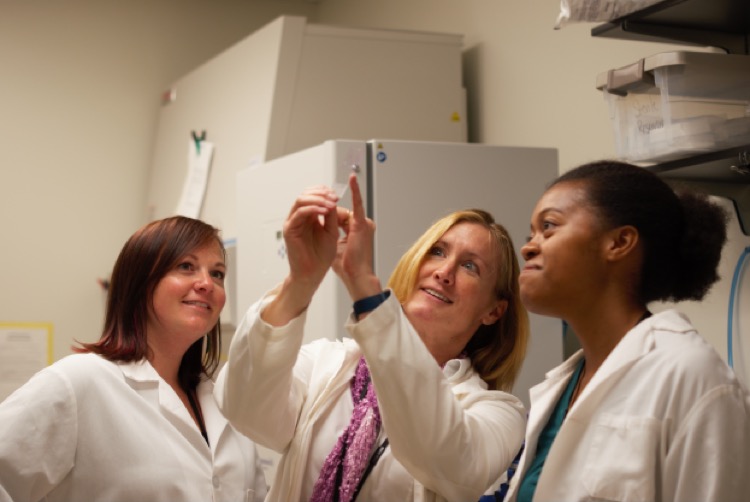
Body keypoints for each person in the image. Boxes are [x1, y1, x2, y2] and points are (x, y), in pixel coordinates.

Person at [215, 173, 528, 502]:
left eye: (470, 267)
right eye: (437, 251)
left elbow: (448, 460)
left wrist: (362, 284)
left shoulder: (498, 413)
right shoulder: (328, 364)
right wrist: (301, 280)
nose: (443, 272)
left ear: (494, 310)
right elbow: (244, 408)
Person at [506, 160, 750, 502]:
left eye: (549, 226)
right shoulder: (560, 387)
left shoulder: (691, 375)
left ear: (619, 242)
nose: (528, 246)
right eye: (530, 233)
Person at [0, 216, 268, 502]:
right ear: (140, 283)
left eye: (217, 273)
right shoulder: (79, 382)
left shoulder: (223, 402)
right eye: (186, 267)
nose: (206, 283)